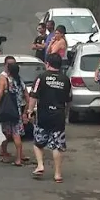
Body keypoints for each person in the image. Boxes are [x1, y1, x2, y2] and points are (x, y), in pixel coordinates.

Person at [29, 53, 72, 183]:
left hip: (44, 115)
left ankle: (40, 165)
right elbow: (69, 99)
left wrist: (30, 110)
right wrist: (66, 114)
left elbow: (33, 95)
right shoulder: (65, 79)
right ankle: (58, 174)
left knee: (38, 143)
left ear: (47, 63)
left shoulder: (41, 77)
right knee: (57, 146)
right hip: (58, 116)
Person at [0, 62, 30, 166]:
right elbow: (27, 97)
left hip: (7, 110)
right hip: (17, 111)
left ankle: (5, 154)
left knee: (6, 133)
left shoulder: (5, 80)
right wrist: (25, 111)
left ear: (8, 70)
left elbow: (0, 93)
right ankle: (19, 158)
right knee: (16, 134)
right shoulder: (20, 81)